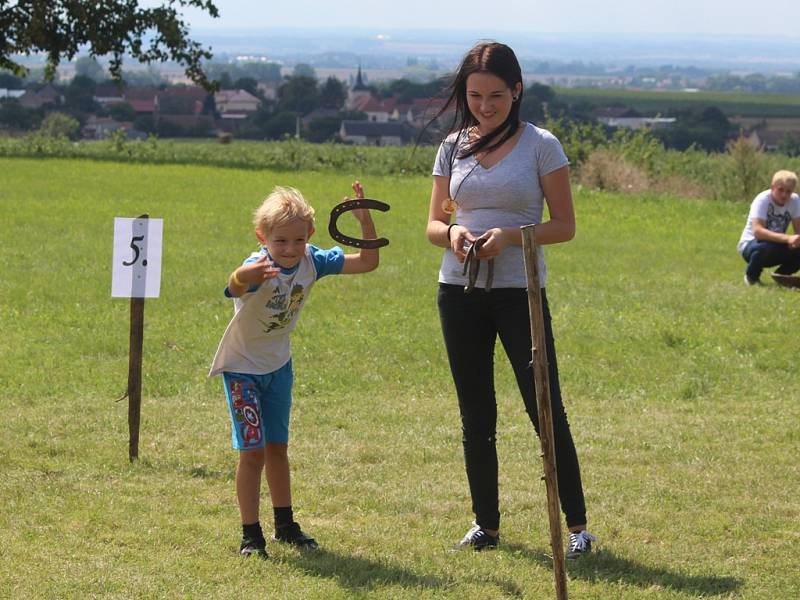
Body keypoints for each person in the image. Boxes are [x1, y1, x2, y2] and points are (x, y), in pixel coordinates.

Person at [425, 41, 595, 558]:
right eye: (475, 95)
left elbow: (563, 226)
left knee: (544, 408)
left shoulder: (541, 145)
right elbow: (433, 223)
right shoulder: (453, 146)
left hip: (519, 292)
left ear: (516, 91)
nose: (485, 105)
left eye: (496, 95)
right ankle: (486, 524)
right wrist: (452, 234)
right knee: (475, 413)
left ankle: (578, 528)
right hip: (459, 291)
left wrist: (511, 234)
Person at [209, 182, 380, 558]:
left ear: (310, 236)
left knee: (278, 449)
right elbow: (235, 284)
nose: (289, 250)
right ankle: (250, 535)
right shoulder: (259, 266)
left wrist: (364, 222)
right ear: (262, 236)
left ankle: (285, 525)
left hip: (278, 368)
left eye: (298, 240)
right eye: (280, 241)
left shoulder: (312, 261)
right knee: (251, 453)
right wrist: (244, 275)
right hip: (242, 371)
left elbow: (368, 262)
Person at [737, 170, 800, 285]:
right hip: (752, 245)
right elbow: (758, 232)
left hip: (776, 245)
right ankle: (752, 277)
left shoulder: (795, 201)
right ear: (772, 187)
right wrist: (787, 239)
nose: (784, 195)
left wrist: (796, 240)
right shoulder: (762, 200)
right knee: (764, 246)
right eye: (780, 190)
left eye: (788, 191)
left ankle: (782, 277)